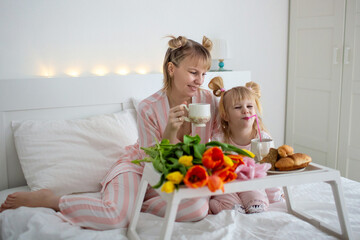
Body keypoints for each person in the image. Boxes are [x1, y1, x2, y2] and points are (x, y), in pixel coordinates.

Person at [0, 35, 220, 229]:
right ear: (172, 69)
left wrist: (239, 104)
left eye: (204, 74)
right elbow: (153, 163)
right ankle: (52, 200)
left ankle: (136, 203)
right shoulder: (148, 107)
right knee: (115, 217)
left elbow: (226, 134)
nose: (200, 81)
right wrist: (170, 130)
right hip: (140, 169)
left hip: (174, 178)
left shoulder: (207, 100)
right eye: (193, 72)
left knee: (198, 210)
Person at [207, 76, 283, 214]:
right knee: (228, 203)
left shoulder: (264, 139)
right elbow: (213, 172)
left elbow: (271, 169)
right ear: (225, 116)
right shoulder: (218, 140)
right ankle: (224, 206)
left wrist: (275, 195)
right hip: (228, 185)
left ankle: (254, 204)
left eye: (249, 106)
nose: (246, 111)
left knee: (257, 200)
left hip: (253, 185)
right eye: (237, 107)